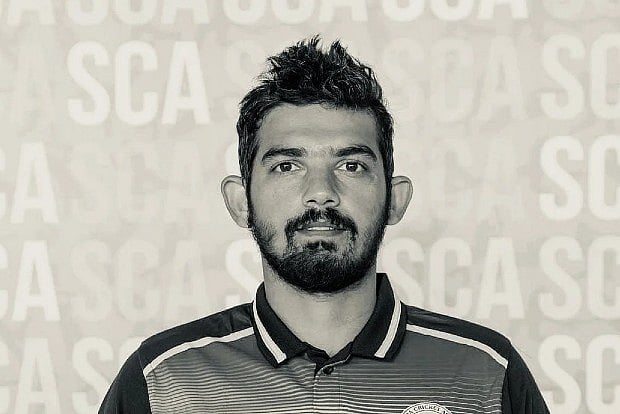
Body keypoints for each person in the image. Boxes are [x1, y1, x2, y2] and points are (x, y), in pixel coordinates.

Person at [99, 36, 550, 414]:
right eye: (287, 166)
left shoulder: (486, 373)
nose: (321, 193)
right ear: (240, 202)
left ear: (395, 200)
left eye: (351, 166)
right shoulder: (164, 381)